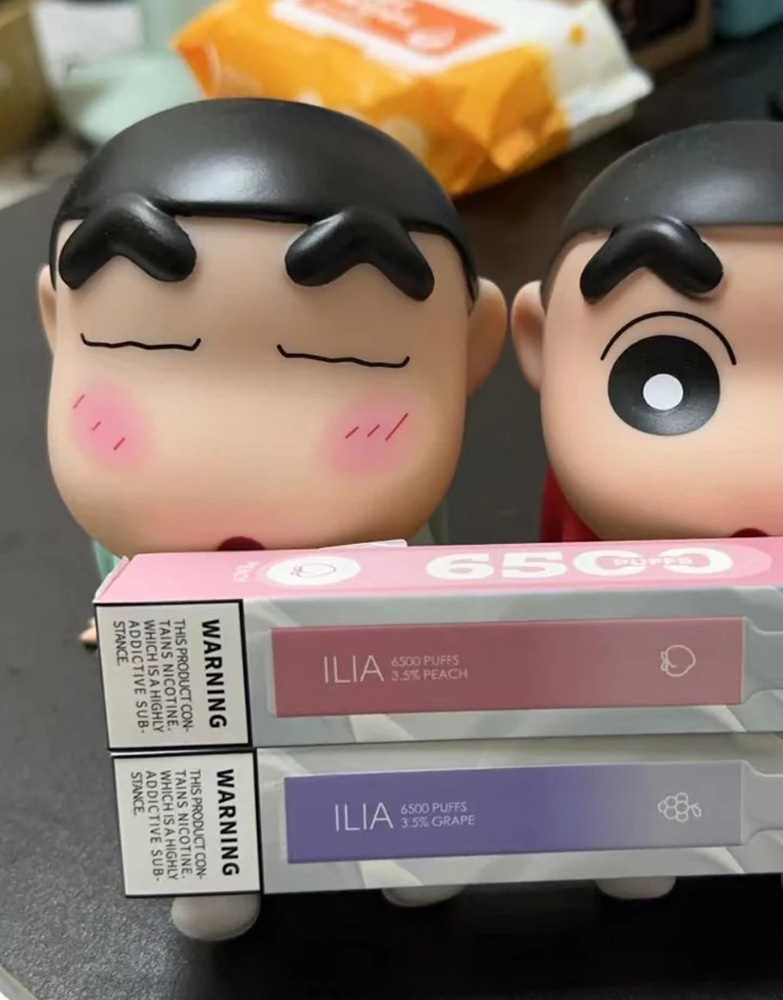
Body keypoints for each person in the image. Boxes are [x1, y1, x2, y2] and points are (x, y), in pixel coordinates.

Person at [39, 97, 506, 939]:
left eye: (345, 360)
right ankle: (216, 870)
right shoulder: (136, 537)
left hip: (363, 656)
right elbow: (116, 558)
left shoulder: (404, 537)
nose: (235, 446)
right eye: (149, 353)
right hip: (187, 667)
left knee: (384, 729)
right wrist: (120, 612)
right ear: (57, 324)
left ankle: (410, 846)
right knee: (191, 750)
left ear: (470, 351)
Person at [512, 120, 783, 909]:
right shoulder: (580, 529)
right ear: (540, 343)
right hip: (645, 677)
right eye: (664, 379)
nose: (763, 454)